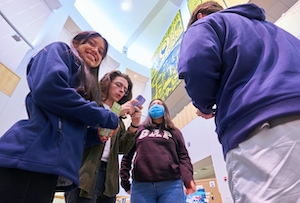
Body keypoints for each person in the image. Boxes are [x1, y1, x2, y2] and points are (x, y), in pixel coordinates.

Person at [178, 1, 300, 202]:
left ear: (199, 16)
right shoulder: (273, 29)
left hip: (261, 132)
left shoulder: (204, 25)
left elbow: (195, 62)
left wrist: (205, 106)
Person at [0, 31, 120, 203]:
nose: (96, 51)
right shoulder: (60, 50)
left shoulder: (82, 91)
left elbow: (68, 132)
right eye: (91, 44)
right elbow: (50, 88)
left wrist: (95, 136)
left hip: (48, 166)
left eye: (101, 52)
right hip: (30, 158)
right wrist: (106, 116)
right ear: (77, 43)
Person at [64, 70, 142, 203]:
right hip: (84, 171)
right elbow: (83, 135)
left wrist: (134, 126)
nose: (122, 90)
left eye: (125, 89)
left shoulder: (120, 121)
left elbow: (122, 148)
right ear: (107, 83)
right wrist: (115, 113)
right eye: (118, 85)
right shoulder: (92, 106)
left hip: (109, 177)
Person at [120, 99, 196, 203]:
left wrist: (188, 178)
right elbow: (127, 154)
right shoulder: (139, 129)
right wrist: (125, 181)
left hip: (171, 185)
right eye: (153, 104)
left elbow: (183, 156)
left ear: (165, 109)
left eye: (159, 104)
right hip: (141, 185)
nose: (156, 106)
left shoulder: (174, 131)